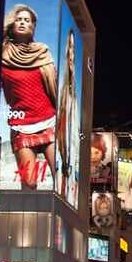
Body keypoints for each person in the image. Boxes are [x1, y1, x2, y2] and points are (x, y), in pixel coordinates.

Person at [0, 4, 58, 190]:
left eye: (27, 20)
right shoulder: (3, 55)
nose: (23, 23)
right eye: (19, 19)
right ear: (12, 24)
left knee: (62, 177)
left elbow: (55, 86)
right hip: (22, 126)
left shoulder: (42, 52)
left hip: (49, 122)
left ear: (33, 26)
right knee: (29, 182)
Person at [55, 27, 80, 200]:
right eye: (69, 48)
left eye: (73, 49)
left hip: (70, 166)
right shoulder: (60, 90)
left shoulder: (74, 95)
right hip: (59, 160)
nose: (71, 54)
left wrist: (75, 165)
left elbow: (75, 137)